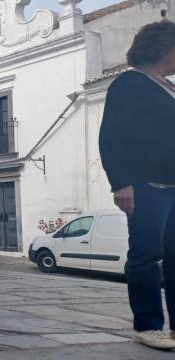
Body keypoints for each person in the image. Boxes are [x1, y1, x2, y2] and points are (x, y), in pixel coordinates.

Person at [99, 20, 175, 350]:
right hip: (146, 185)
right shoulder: (130, 83)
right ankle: (147, 325)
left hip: (173, 188)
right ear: (163, 48)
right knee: (147, 254)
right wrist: (121, 183)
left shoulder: (168, 87)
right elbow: (111, 136)